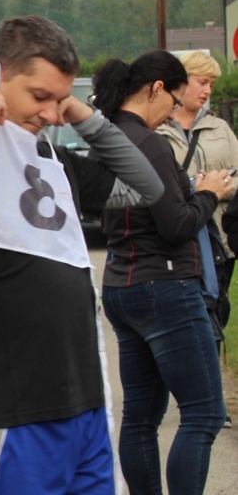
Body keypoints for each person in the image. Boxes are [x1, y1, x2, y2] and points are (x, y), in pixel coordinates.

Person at [0, 15, 166, 494]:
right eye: (39, 96)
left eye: (58, 98)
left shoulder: (52, 158)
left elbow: (147, 187)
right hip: (9, 409)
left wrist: (85, 117)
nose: (49, 112)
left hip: (83, 403)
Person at [92, 50, 230, 495]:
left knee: (141, 418)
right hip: (165, 284)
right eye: (173, 101)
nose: (174, 112)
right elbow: (176, 225)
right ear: (155, 89)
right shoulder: (150, 143)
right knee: (205, 411)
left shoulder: (110, 135)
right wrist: (207, 193)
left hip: (121, 283)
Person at [157, 51, 238, 429]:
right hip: (179, 240)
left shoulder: (222, 129)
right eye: (202, 82)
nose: (207, 90)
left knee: (217, 309)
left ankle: (208, 396)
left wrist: (220, 188)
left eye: (212, 84)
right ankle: (196, 396)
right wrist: (197, 190)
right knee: (192, 312)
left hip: (218, 239)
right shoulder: (157, 130)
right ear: (180, 80)